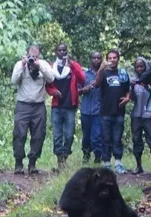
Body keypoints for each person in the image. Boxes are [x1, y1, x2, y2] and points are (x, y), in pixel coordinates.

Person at [11, 44, 58, 175]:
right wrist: (23, 64)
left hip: (38, 106)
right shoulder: (20, 64)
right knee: (19, 134)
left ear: (39, 56)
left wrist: (40, 66)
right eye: (31, 56)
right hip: (23, 105)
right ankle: (18, 163)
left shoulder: (43, 64)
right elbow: (14, 80)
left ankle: (32, 163)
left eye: (35, 56)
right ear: (27, 54)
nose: (33, 59)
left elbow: (51, 78)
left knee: (38, 135)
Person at [49, 43, 86, 171]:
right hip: (57, 106)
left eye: (64, 50)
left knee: (69, 135)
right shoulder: (51, 67)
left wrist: (73, 66)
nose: (62, 52)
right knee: (57, 135)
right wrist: (53, 91)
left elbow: (82, 79)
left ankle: (65, 156)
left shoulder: (73, 65)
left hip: (70, 105)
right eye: (59, 50)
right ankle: (60, 160)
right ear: (56, 52)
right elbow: (47, 83)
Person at [95, 49, 130, 173]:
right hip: (105, 112)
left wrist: (127, 97)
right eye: (110, 58)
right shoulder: (103, 73)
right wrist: (100, 69)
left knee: (117, 139)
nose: (112, 60)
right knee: (106, 139)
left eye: (114, 57)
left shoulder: (122, 73)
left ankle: (118, 163)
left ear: (118, 59)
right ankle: (106, 163)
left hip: (119, 111)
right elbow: (97, 84)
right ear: (107, 59)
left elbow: (128, 88)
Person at [129, 57, 151, 174]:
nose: (139, 68)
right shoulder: (132, 80)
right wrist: (132, 87)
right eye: (137, 66)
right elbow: (132, 98)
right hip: (136, 114)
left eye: (141, 66)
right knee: (136, 139)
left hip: (149, 114)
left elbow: (148, 76)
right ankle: (139, 166)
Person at [78, 51, 103, 164]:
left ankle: (98, 157)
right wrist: (84, 90)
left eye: (99, 58)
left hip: (99, 111)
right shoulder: (84, 74)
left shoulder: (104, 74)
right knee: (86, 137)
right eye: (94, 58)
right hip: (85, 110)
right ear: (90, 59)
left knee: (96, 137)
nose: (96, 60)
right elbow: (76, 91)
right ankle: (86, 156)